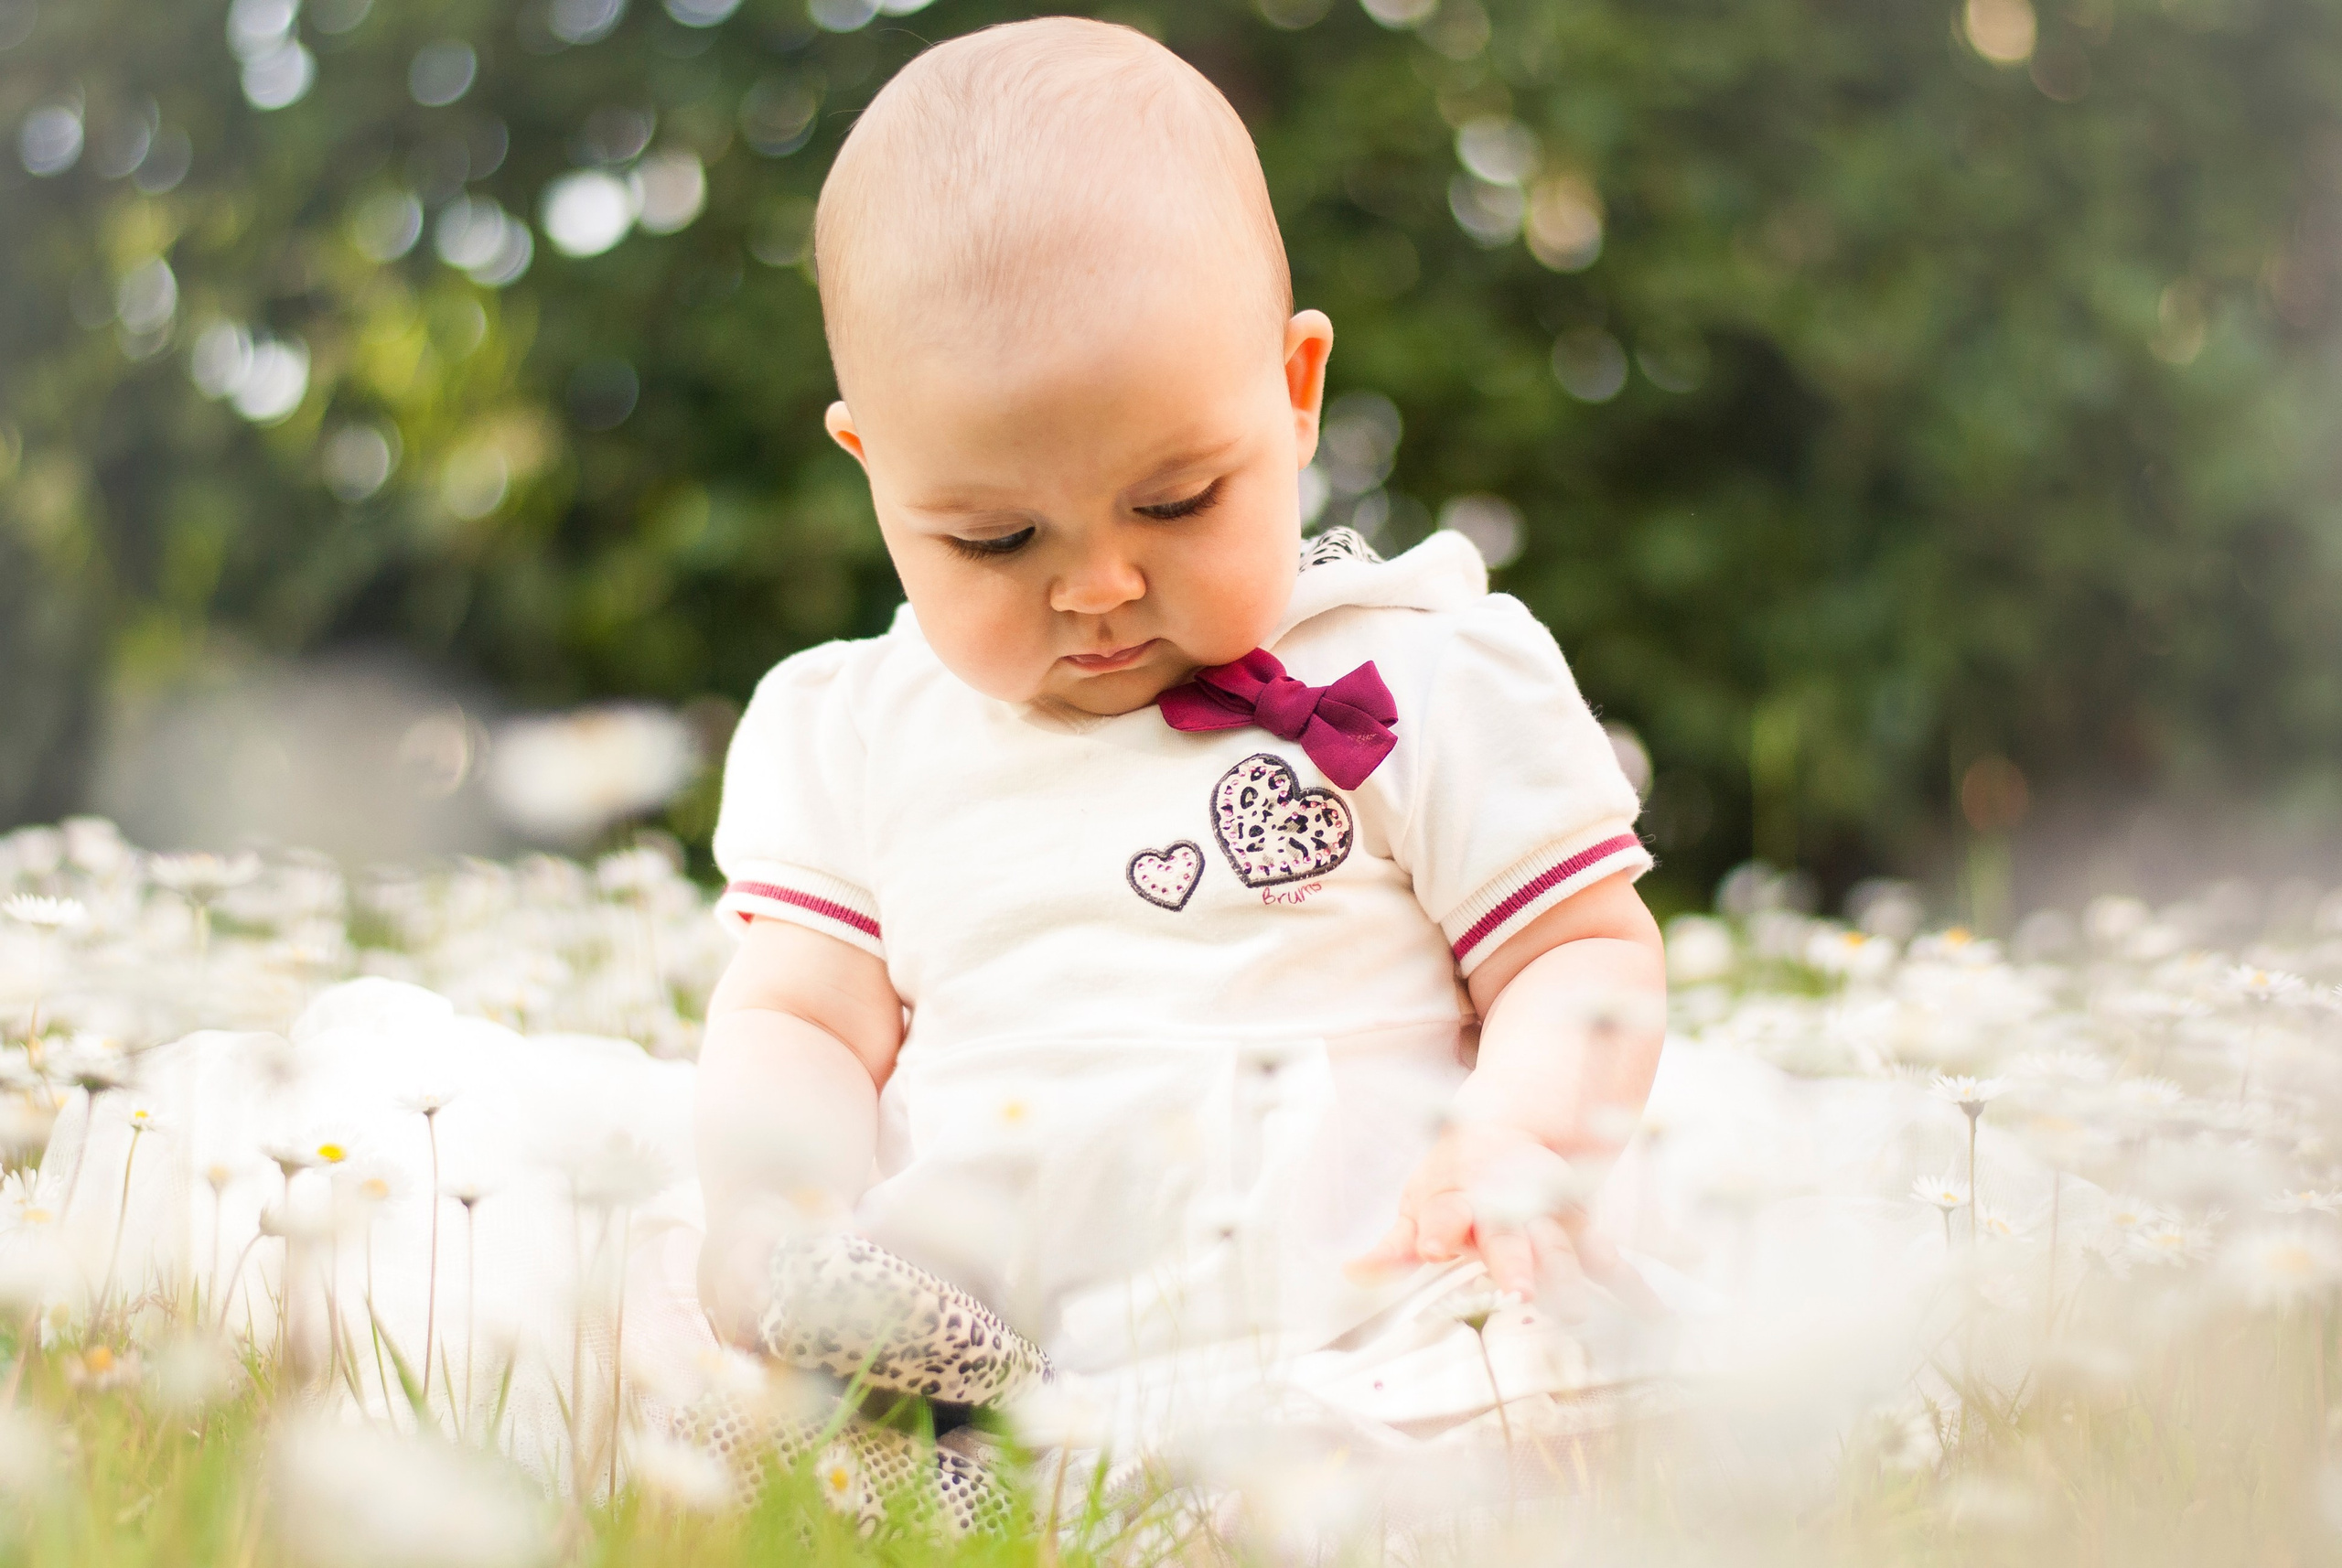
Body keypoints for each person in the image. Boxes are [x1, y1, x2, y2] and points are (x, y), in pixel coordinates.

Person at [692, 15, 1668, 1469]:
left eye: (1175, 501)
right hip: (988, 1327)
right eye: (996, 536)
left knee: (1535, 1423)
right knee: (787, 1436)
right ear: (871, 467)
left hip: (1388, 1309)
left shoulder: (1425, 663)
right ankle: (956, 1446)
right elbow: (803, 1019)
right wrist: (784, 1212)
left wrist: (1522, 1134)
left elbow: (1580, 949)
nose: (1095, 584)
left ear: (1294, 391)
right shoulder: (853, 727)